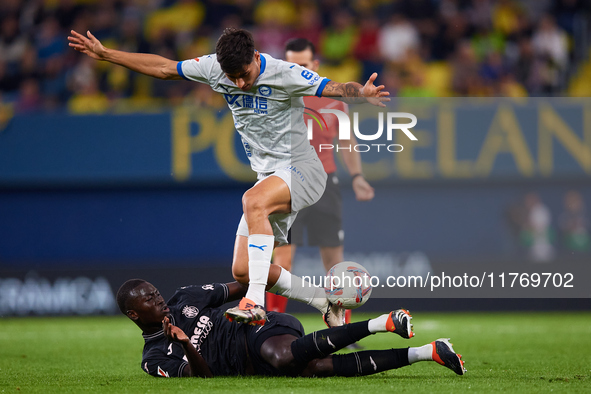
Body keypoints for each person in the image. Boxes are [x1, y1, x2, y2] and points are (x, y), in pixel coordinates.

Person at [69, 28, 390, 326]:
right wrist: (108, 54)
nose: (238, 84)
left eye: (244, 75)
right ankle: (325, 303)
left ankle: (254, 303)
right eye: (231, 77)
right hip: (269, 175)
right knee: (243, 269)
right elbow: (165, 68)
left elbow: (333, 87)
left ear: (255, 57)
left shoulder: (285, 73)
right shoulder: (214, 68)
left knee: (253, 200)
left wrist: (361, 91)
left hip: (304, 169)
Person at [117, 278, 466, 378]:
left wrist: (255, 295)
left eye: (154, 291)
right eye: (148, 298)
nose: (157, 297)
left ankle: (382, 323)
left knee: (284, 357)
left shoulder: (184, 298)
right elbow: (203, 379)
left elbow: (248, 283)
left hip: (259, 330)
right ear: (134, 314)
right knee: (317, 368)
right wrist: (186, 344)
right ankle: (427, 352)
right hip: (251, 367)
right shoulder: (154, 358)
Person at [267, 38, 375, 322]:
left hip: (325, 183)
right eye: (290, 64)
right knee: (283, 259)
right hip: (288, 182)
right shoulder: (277, 95)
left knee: (334, 263)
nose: (295, 69)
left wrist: (357, 176)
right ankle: (271, 324)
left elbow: (347, 142)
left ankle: (342, 330)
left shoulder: (333, 100)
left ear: (314, 65)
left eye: (301, 65)